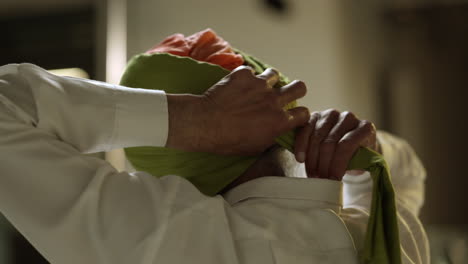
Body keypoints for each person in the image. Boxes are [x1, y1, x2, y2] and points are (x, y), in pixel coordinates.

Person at [0, 63, 428, 263]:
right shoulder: (389, 229)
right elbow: (407, 173)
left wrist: (191, 119)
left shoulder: (157, 242)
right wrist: (356, 150)